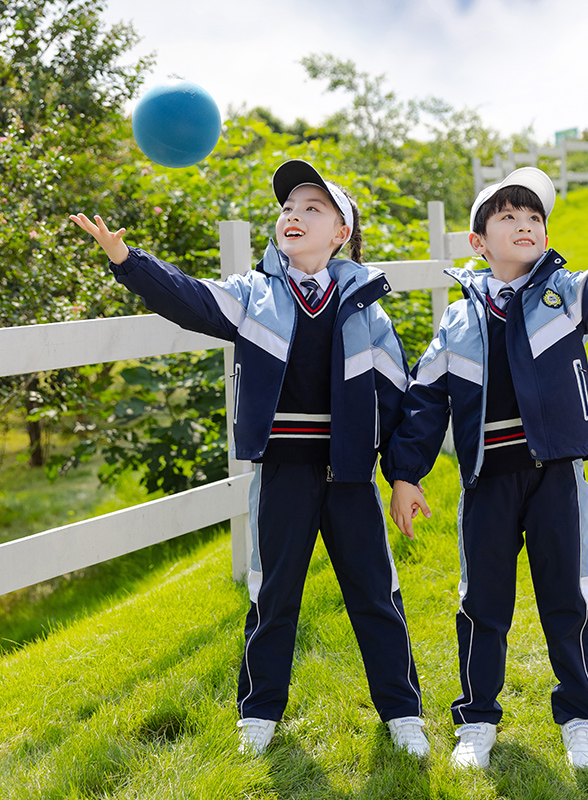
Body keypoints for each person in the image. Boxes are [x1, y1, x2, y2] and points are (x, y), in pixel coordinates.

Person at [70, 160, 429, 757]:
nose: (294, 215)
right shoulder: (253, 294)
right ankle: (259, 713)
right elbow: (189, 299)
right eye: (288, 208)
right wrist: (127, 261)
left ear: (341, 232)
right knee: (273, 592)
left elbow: (397, 400)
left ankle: (403, 711)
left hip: (350, 477)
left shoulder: (367, 307)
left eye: (313, 208)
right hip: (282, 470)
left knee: (375, 592)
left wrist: (403, 475)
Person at [386, 153, 588, 769]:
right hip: (486, 481)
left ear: (545, 236)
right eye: (507, 216)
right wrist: (406, 475)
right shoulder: (458, 319)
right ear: (478, 240)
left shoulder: (564, 295)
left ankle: (579, 718)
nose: (524, 223)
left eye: (533, 217)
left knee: (567, 598)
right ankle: (477, 721)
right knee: (481, 601)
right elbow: (424, 402)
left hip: (556, 476)